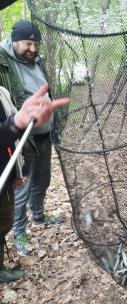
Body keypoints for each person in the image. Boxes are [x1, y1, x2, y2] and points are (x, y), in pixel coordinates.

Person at [0, 20, 63, 256]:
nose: (33, 49)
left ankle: (38, 215)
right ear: (15, 40)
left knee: (43, 179)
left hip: (44, 134)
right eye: (28, 43)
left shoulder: (36, 60)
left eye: (35, 44)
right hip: (20, 138)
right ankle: (19, 233)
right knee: (21, 188)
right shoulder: (3, 62)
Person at [0, 85, 69, 282]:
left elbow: (7, 140)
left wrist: (16, 170)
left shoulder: (3, 93)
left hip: (5, 177)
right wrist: (14, 125)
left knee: (3, 223)